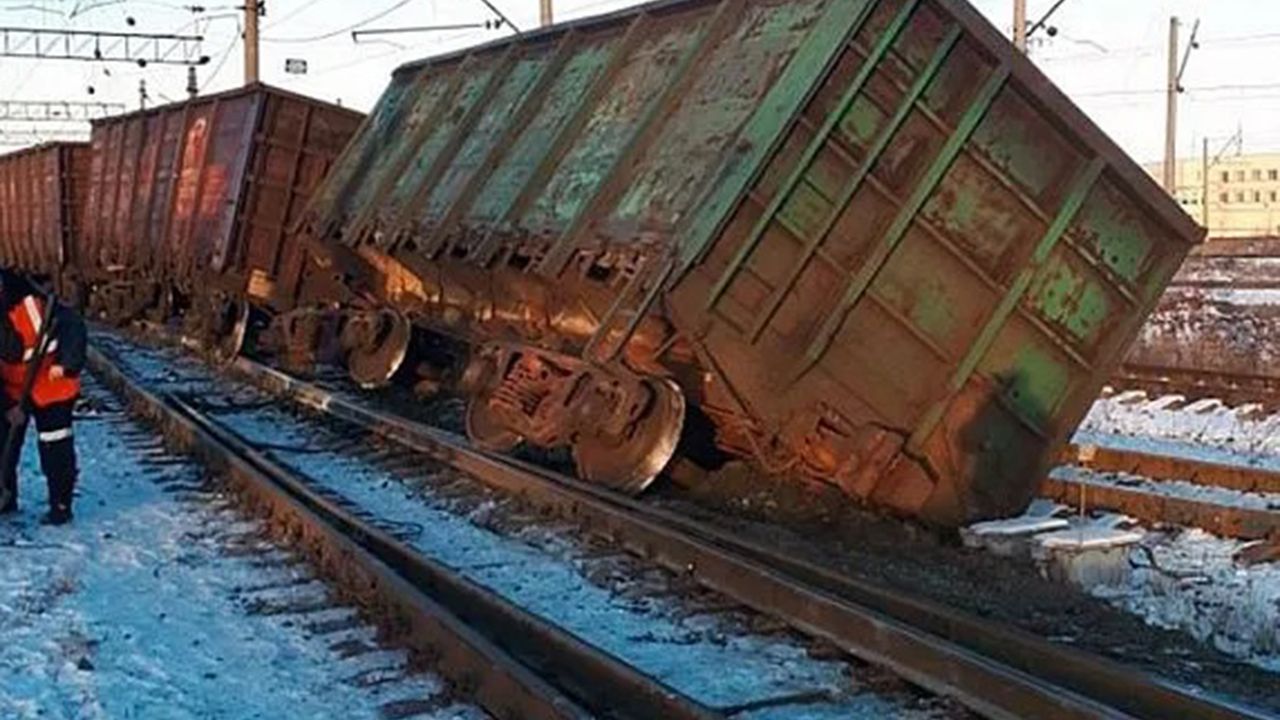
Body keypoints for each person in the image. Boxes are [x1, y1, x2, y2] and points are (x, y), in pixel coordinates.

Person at [0, 270, 86, 525]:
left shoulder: (31, 300)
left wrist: (66, 364)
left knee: (55, 444)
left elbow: (73, 326)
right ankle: (5, 497)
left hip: (51, 384)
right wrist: (6, 406)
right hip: (11, 389)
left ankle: (60, 505)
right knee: (3, 443)